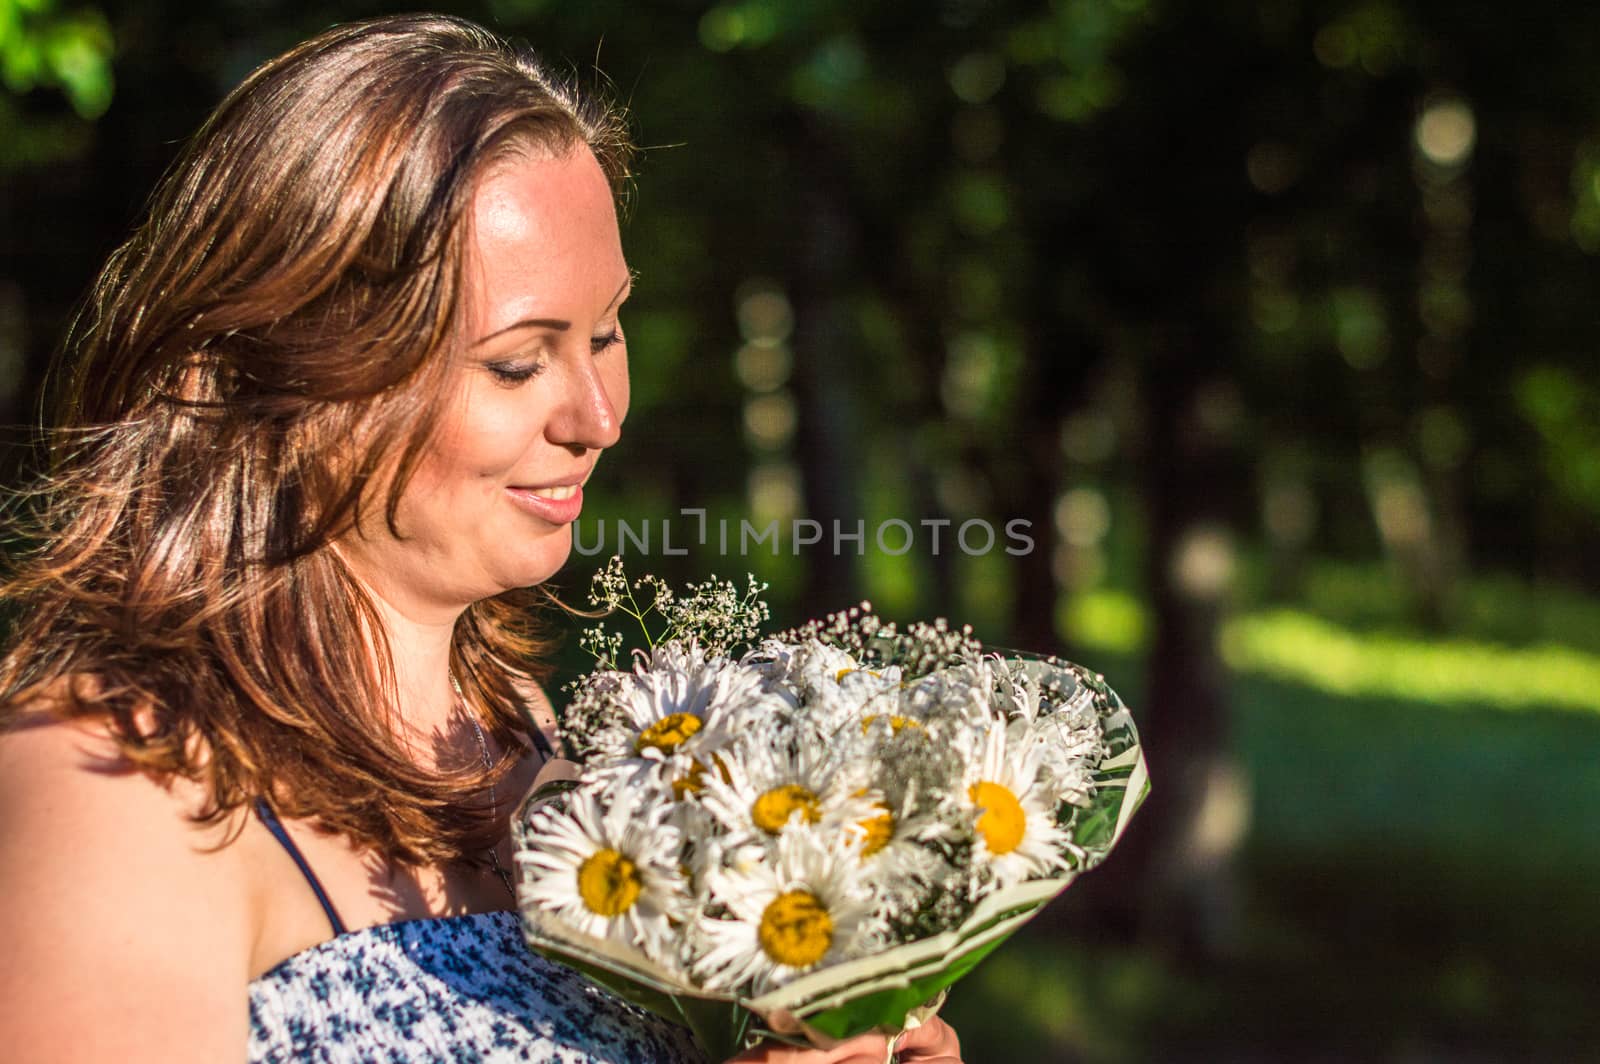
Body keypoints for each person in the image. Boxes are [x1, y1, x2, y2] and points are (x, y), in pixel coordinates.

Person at [0, 14, 960, 1064]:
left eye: (603, 333)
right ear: (273, 369)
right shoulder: (115, 787)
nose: (597, 415)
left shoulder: (530, 740)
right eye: (516, 362)